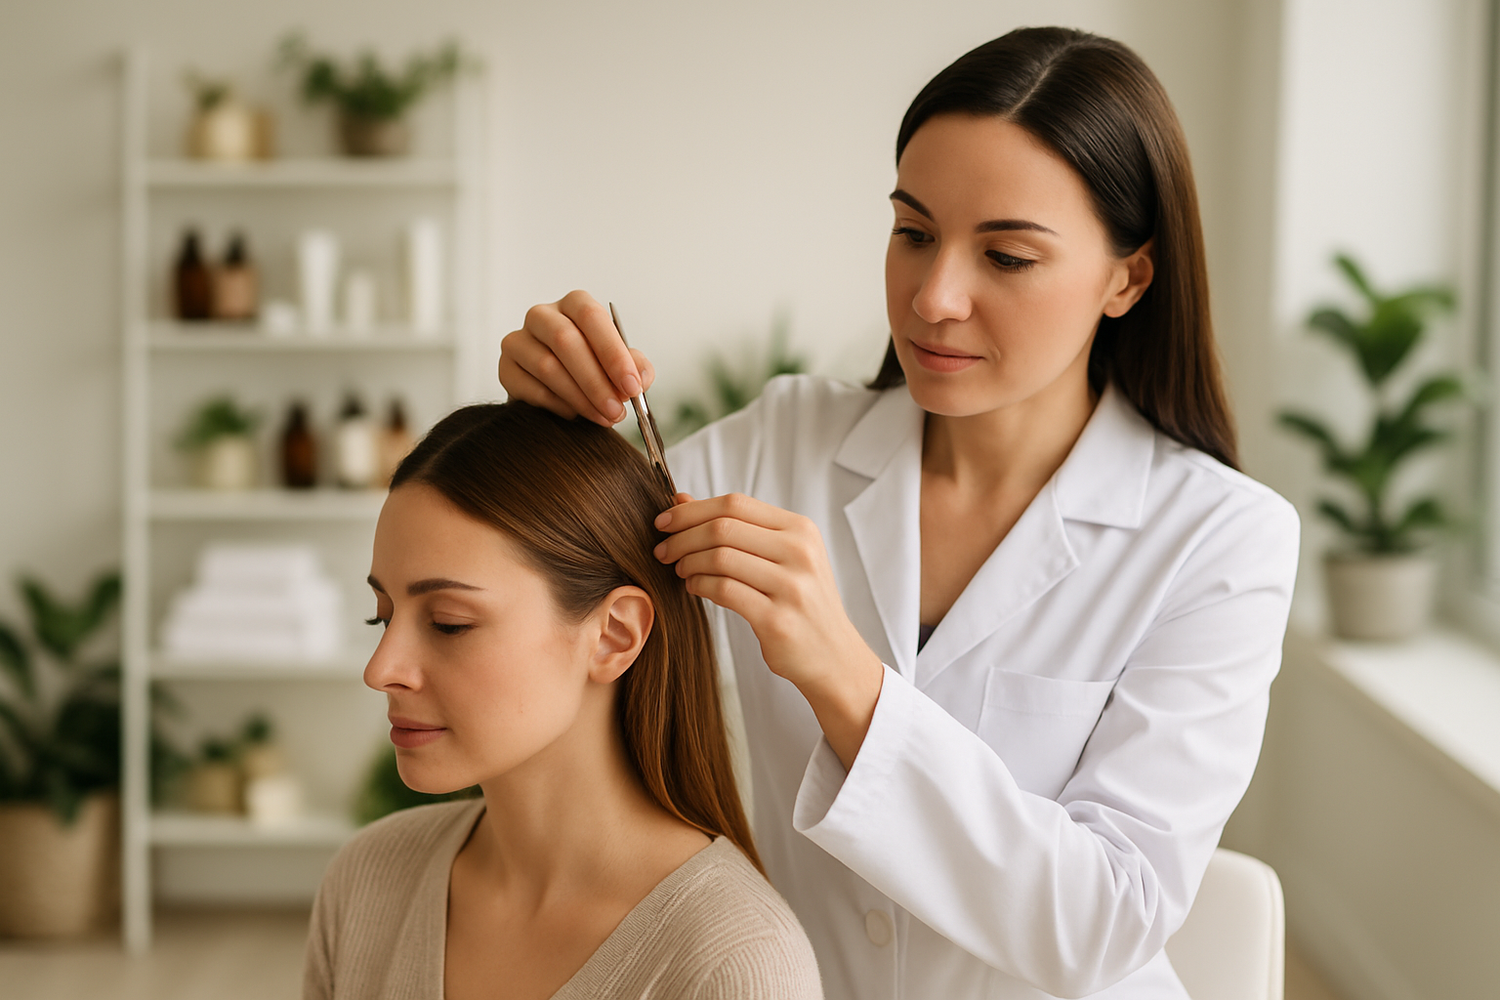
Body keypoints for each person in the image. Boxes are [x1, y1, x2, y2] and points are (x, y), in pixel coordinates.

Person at [497, 25, 1301, 1000]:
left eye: (1006, 256)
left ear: (1128, 277)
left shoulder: (1221, 538)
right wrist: (546, 423)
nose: (933, 296)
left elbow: (1105, 919)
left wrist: (843, 676)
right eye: (913, 232)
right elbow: (546, 586)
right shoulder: (782, 442)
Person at [303, 402, 823, 1000]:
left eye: (448, 623)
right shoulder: (367, 882)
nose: (381, 670)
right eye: (382, 617)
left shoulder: (735, 965)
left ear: (614, 635)